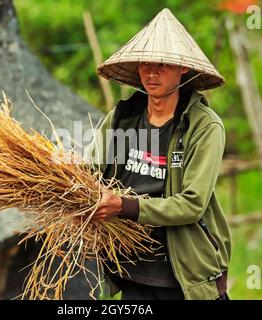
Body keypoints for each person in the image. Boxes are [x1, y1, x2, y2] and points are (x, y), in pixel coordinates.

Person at [84, 8, 231, 300]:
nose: (151, 72)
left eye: (163, 64)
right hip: (130, 271)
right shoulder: (122, 118)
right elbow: (90, 172)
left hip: (183, 278)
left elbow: (192, 204)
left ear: (183, 69)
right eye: (145, 63)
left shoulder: (203, 126)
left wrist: (124, 206)